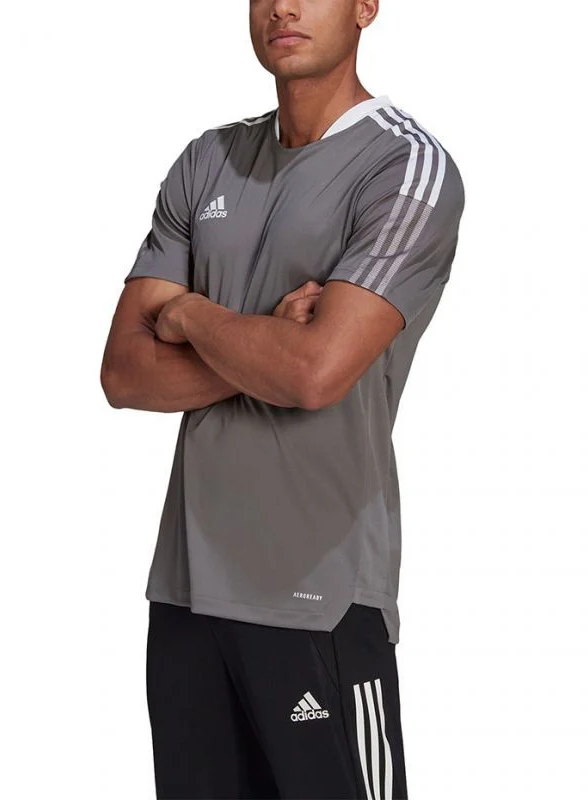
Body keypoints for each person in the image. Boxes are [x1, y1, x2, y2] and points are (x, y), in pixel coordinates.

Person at [100, 1, 465, 797]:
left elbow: (314, 374)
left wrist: (188, 316)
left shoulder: (405, 168)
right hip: (186, 594)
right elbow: (124, 373)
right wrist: (266, 337)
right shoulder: (207, 161)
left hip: (320, 595)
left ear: (366, 6)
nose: (284, 7)